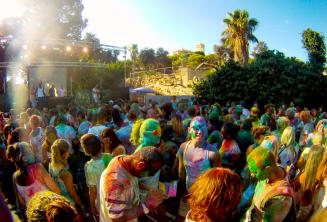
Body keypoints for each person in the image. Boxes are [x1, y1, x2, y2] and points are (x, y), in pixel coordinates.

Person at [99, 146, 164, 221]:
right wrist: (147, 205)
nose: (146, 177)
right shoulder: (115, 183)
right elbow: (117, 219)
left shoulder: (126, 160)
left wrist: (149, 189)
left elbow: (131, 182)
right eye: (148, 174)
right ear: (140, 165)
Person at [6, 142, 61, 219]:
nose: (33, 152)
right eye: (29, 151)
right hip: (50, 212)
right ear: (23, 157)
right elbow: (56, 190)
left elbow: (21, 202)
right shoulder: (38, 168)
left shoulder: (15, 176)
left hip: (34, 216)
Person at [245, 147, 293, 222]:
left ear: (267, 169)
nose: (251, 175)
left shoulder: (281, 198)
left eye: (254, 172)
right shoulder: (272, 168)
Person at [81, 134, 112, 219]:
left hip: (103, 201)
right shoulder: (110, 157)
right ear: (100, 144)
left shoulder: (89, 167)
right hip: (116, 197)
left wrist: (92, 207)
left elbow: (93, 190)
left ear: (86, 150)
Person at [49, 139, 83, 209]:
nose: (69, 153)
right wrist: (83, 206)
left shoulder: (51, 165)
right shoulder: (65, 174)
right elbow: (73, 194)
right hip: (69, 204)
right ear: (64, 154)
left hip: (59, 201)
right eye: (68, 151)